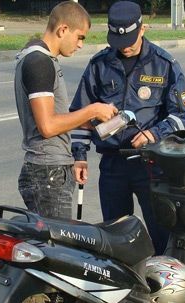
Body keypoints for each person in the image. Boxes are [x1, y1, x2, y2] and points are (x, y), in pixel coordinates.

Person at [70, 0, 185, 255]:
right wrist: (80, 157)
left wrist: (153, 134)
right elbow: (81, 114)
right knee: (115, 237)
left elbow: (184, 113)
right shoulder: (99, 65)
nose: (124, 47)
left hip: (151, 164)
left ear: (142, 29)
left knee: (162, 231)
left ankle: (165, 285)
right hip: (113, 165)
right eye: (118, 41)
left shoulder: (164, 64)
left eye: (129, 39)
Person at [15, 1, 117, 220]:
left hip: (50, 169)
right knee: (56, 251)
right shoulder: (39, 62)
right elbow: (48, 126)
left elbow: (54, 119)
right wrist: (92, 110)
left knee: (50, 247)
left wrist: (85, 124)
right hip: (47, 173)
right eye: (80, 37)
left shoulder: (38, 56)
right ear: (63, 30)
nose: (80, 45)